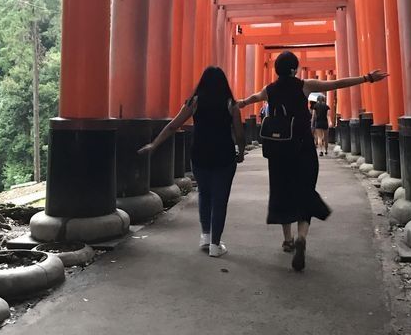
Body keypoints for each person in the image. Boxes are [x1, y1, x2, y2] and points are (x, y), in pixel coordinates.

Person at [237, 51, 387, 271]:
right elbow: (336, 83)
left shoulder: (269, 90)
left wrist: (240, 103)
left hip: (279, 151)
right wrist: (367, 78)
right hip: (303, 149)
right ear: (294, 69)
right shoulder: (304, 86)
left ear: (277, 69)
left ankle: (287, 240)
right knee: (304, 192)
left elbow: (252, 99)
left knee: (281, 191)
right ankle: (301, 237)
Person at [139, 66, 245, 258]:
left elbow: (173, 126)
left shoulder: (195, 102)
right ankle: (215, 245)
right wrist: (242, 152)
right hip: (224, 156)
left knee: (204, 194)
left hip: (200, 155)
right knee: (220, 200)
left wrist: (154, 145)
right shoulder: (231, 104)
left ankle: (205, 235)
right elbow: (239, 133)